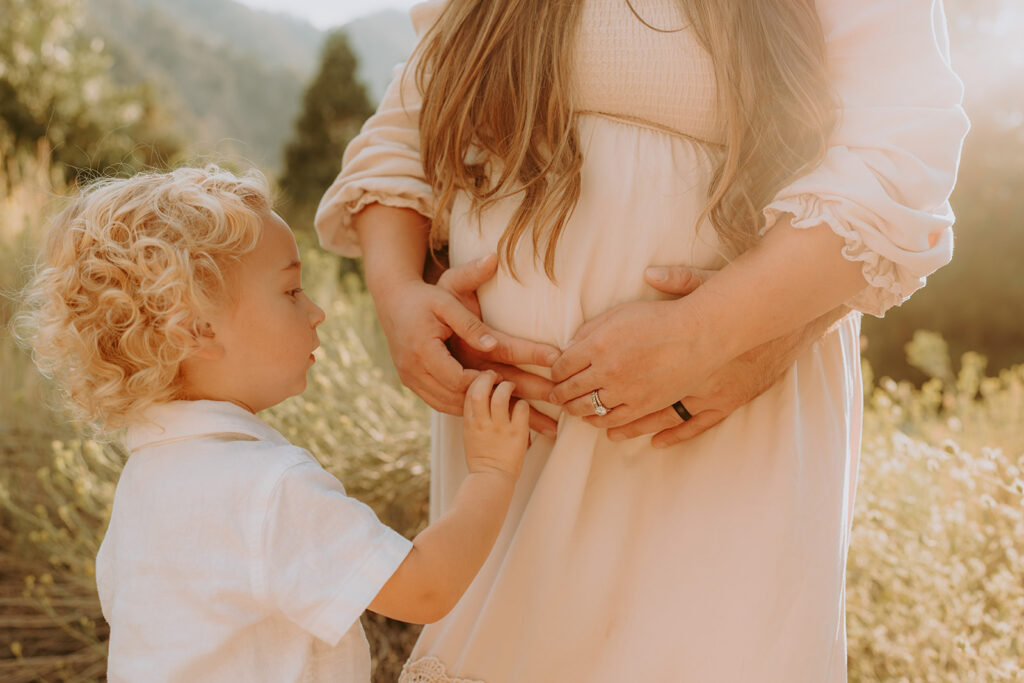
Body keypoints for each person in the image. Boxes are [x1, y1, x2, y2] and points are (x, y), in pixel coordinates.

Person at [316, 0, 969, 680]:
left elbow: (903, 150)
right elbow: (408, 125)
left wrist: (711, 329)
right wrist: (398, 295)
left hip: (719, 435)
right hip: (515, 446)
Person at [15, 166, 530, 682]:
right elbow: (426, 588)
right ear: (197, 329)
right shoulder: (267, 489)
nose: (318, 311)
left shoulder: (143, 485)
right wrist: (490, 472)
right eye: (290, 291)